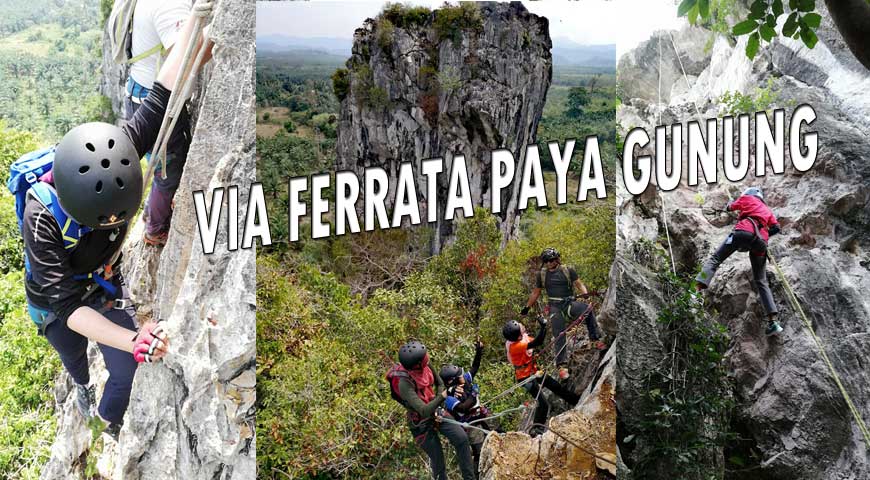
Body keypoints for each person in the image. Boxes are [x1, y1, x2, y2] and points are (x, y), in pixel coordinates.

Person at [18, 6, 212, 439]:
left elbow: (162, 93)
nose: (115, 224)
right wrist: (135, 338)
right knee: (73, 351)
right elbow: (67, 306)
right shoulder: (42, 216)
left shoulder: (119, 148)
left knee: (126, 370)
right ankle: (82, 385)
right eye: (105, 221)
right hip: (56, 303)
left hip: (103, 279)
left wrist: (200, 24)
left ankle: (109, 420)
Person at [126, 0, 193, 247]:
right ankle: (155, 229)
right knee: (167, 171)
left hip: (139, 91)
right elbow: (188, 55)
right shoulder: (170, 5)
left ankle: (152, 212)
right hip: (156, 103)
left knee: (159, 165)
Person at [696, 187, 783, 336]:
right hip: (760, 243)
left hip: (742, 232)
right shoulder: (767, 210)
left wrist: (732, 206)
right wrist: (762, 234)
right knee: (761, 281)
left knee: (715, 259)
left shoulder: (746, 199)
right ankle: (773, 322)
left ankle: (695, 292)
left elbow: (730, 207)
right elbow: (776, 227)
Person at [387, 341, 476, 480]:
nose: (427, 357)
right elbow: (423, 410)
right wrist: (443, 396)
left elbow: (440, 383)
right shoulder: (404, 383)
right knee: (438, 461)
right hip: (420, 424)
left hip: (435, 409)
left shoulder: (425, 364)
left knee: (461, 439)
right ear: (417, 364)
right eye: (424, 357)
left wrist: (438, 403)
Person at [521, 247, 604, 380]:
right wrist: (527, 307)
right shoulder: (542, 275)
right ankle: (561, 366)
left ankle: (594, 340)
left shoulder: (567, 270)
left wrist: (586, 295)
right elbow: (536, 292)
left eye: (551, 260)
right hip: (555, 307)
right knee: (559, 334)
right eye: (546, 261)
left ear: (557, 259)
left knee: (587, 309)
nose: (549, 263)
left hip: (569, 303)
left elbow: (579, 284)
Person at [502, 319, 580, 437]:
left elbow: (537, 341)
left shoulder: (521, 338)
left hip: (533, 371)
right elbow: (538, 342)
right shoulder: (515, 346)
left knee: (554, 385)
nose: (522, 325)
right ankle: (536, 430)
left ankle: (576, 401)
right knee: (543, 403)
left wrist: (543, 328)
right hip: (525, 377)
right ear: (518, 336)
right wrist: (543, 326)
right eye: (520, 325)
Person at [440, 340, 499, 473]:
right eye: (459, 375)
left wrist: (479, 351)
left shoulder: (464, 380)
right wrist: (474, 394)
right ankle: (479, 474)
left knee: (498, 430)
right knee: (479, 450)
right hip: (470, 424)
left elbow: (475, 367)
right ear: (451, 381)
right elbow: (463, 408)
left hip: (480, 413)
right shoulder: (449, 398)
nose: (462, 375)